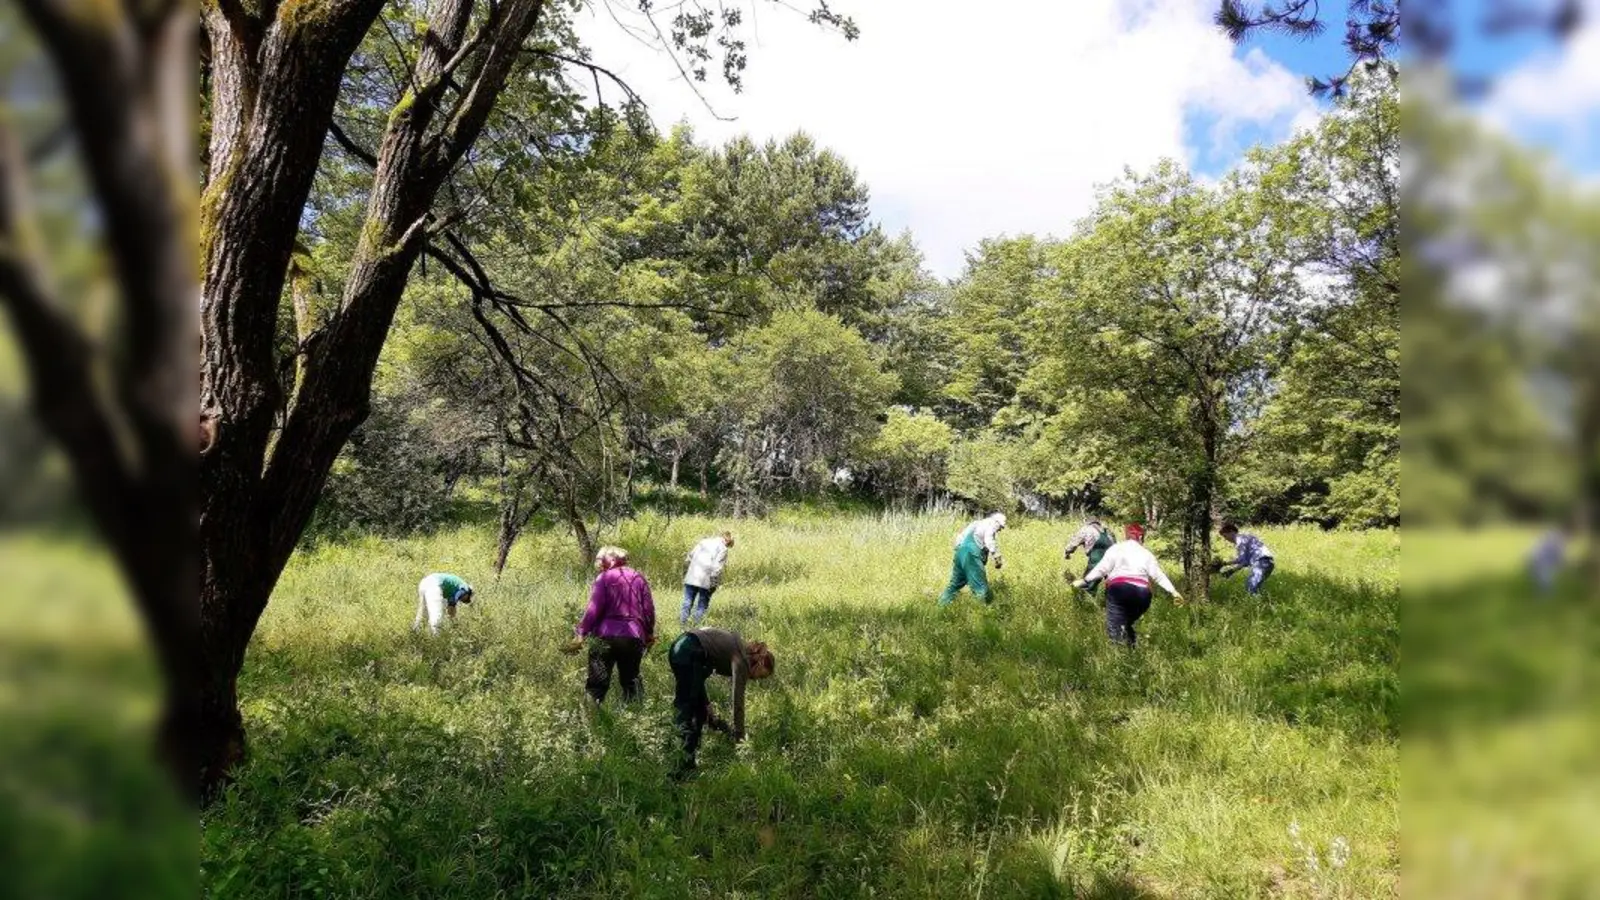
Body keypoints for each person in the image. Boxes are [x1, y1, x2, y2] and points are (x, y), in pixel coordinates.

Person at [667, 627, 774, 776]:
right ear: (760, 663)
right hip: (689, 651)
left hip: (680, 647)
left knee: (699, 710)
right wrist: (740, 740)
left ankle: (688, 762)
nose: (756, 679)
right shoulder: (742, 661)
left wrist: (706, 703)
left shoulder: (737, 646)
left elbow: (699, 675)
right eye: (761, 676)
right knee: (688, 711)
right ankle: (680, 768)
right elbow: (738, 704)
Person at [1073, 524, 1183, 646]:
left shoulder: (1116, 548)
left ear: (1126, 536)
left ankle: (1118, 657)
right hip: (1142, 595)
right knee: (1126, 623)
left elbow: (1101, 569)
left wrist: (1085, 581)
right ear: (1141, 538)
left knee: (1115, 627)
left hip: (1118, 590)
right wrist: (1174, 592)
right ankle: (1132, 650)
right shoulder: (1146, 553)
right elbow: (1158, 575)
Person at [573, 546, 656, 704]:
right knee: (631, 681)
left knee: (596, 684)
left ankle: (591, 721)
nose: (599, 563)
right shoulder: (638, 578)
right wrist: (649, 633)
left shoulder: (603, 578)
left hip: (605, 636)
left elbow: (593, 609)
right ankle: (636, 720)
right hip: (633, 637)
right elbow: (649, 610)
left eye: (600, 559)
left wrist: (581, 634)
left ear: (611, 559)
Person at [939, 512, 1007, 606]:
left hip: (960, 554)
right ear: (996, 522)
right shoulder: (990, 524)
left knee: (955, 584)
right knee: (980, 587)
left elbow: (959, 540)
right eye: (1000, 527)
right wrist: (997, 558)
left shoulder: (976, 524)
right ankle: (981, 613)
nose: (1000, 530)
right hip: (971, 555)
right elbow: (989, 541)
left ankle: (941, 605)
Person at [681, 531, 735, 625]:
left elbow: (689, 557)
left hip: (692, 575)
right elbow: (717, 568)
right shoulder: (723, 549)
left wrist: (685, 573)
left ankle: (682, 625)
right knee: (702, 605)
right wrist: (713, 584)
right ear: (728, 542)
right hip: (706, 579)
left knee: (687, 602)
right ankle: (696, 626)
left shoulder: (704, 541)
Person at [1217, 522, 1275, 596]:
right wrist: (1225, 564)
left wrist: (1231, 570)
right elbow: (1243, 560)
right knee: (1255, 588)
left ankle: (1255, 606)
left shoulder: (1240, 540)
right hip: (1269, 563)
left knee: (1251, 587)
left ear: (1231, 531)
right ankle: (1259, 605)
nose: (1226, 539)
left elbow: (1243, 561)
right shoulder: (1245, 537)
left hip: (1261, 561)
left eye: (1225, 536)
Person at [1063, 518, 1115, 596]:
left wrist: (1067, 552)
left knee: (1088, 585)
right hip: (1113, 560)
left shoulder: (1086, 529)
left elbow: (1074, 543)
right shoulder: (1108, 532)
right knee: (1113, 586)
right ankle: (1107, 604)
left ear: (1087, 523)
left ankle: (1085, 604)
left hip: (1097, 558)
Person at [1528, 526, 1568, 596]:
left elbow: (1558, 557)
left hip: (1541, 560)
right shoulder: (1558, 541)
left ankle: (1545, 593)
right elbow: (1559, 556)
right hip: (1541, 560)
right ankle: (1545, 593)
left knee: (1542, 578)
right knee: (1543, 578)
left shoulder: (1555, 539)